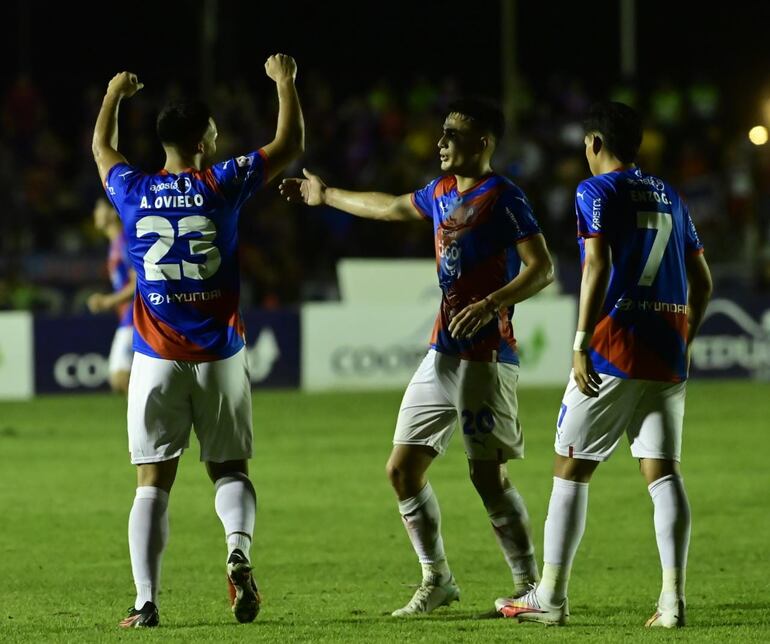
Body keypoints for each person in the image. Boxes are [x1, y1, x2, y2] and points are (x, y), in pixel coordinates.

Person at [281, 98, 555, 616]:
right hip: (443, 352)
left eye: (453, 133)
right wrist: (326, 195)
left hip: (487, 357)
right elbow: (389, 207)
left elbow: (542, 269)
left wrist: (493, 302)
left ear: (483, 142)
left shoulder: (505, 197)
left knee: (487, 477)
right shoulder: (441, 192)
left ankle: (528, 586)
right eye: (442, 132)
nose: (440, 141)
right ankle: (438, 580)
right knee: (402, 470)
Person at [91, 54, 304, 628]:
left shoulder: (132, 190)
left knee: (151, 483)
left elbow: (101, 151)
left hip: (156, 358)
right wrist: (284, 83)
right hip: (219, 356)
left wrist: (114, 94)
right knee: (230, 469)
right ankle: (237, 547)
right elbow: (287, 144)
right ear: (205, 138)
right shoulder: (222, 181)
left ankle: (146, 602)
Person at [496, 101, 713, 628]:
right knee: (662, 472)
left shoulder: (595, 190)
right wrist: (685, 335)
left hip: (615, 344)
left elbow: (596, 264)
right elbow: (702, 280)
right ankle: (672, 601)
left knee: (571, 465)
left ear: (594, 143)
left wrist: (579, 341)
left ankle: (549, 596)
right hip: (666, 349)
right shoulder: (670, 194)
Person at [86, 197, 136, 394]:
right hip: (126, 317)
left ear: (113, 212)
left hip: (135, 316)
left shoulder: (125, 242)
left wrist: (108, 301)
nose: (95, 214)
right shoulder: (115, 244)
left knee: (120, 377)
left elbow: (138, 283)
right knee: (121, 379)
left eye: (100, 209)